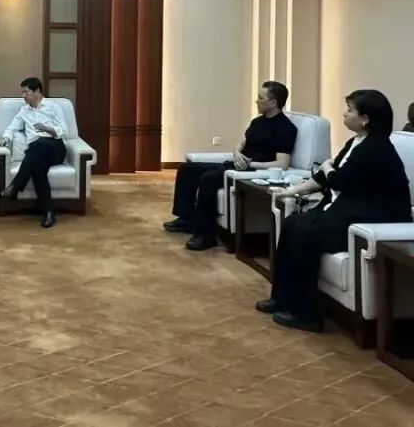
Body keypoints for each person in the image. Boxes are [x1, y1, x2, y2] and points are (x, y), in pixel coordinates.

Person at [257, 89, 411, 332]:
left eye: (350, 110)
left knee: (304, 234)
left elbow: (337, 180)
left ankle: (307, 314)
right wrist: (291, 191)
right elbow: (323, 177)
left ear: (365, 119)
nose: (344, 114)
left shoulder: (376, 148)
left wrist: (328, 167)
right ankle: (282, 299)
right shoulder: (356, 142)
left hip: (370, 218)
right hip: (347, 210)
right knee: (292, 224)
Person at [164, 81, 298, 251]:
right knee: (187, 169)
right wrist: (237, 154)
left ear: (273, 102)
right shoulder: (257, 122)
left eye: (260, 98)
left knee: (209, 179)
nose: (256, 101)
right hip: (235, 165)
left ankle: (206, 235)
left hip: (252, 171)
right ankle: (187, 219)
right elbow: (239, 145)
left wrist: (250, 163)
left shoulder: (286, 128)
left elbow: (282, 163)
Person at [0, 77, 68, 229]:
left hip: (55, 148)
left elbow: (64, 131)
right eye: (22, 92)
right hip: (37, 151)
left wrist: (47, 129)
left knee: (38, 144)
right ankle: (48, 213)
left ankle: (15, 187)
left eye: (26, 92)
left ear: (37, 91)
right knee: (37, 166)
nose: (23, 96)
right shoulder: (24, 110)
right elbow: (12, 127)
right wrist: (6, 138)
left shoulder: (53, 107)